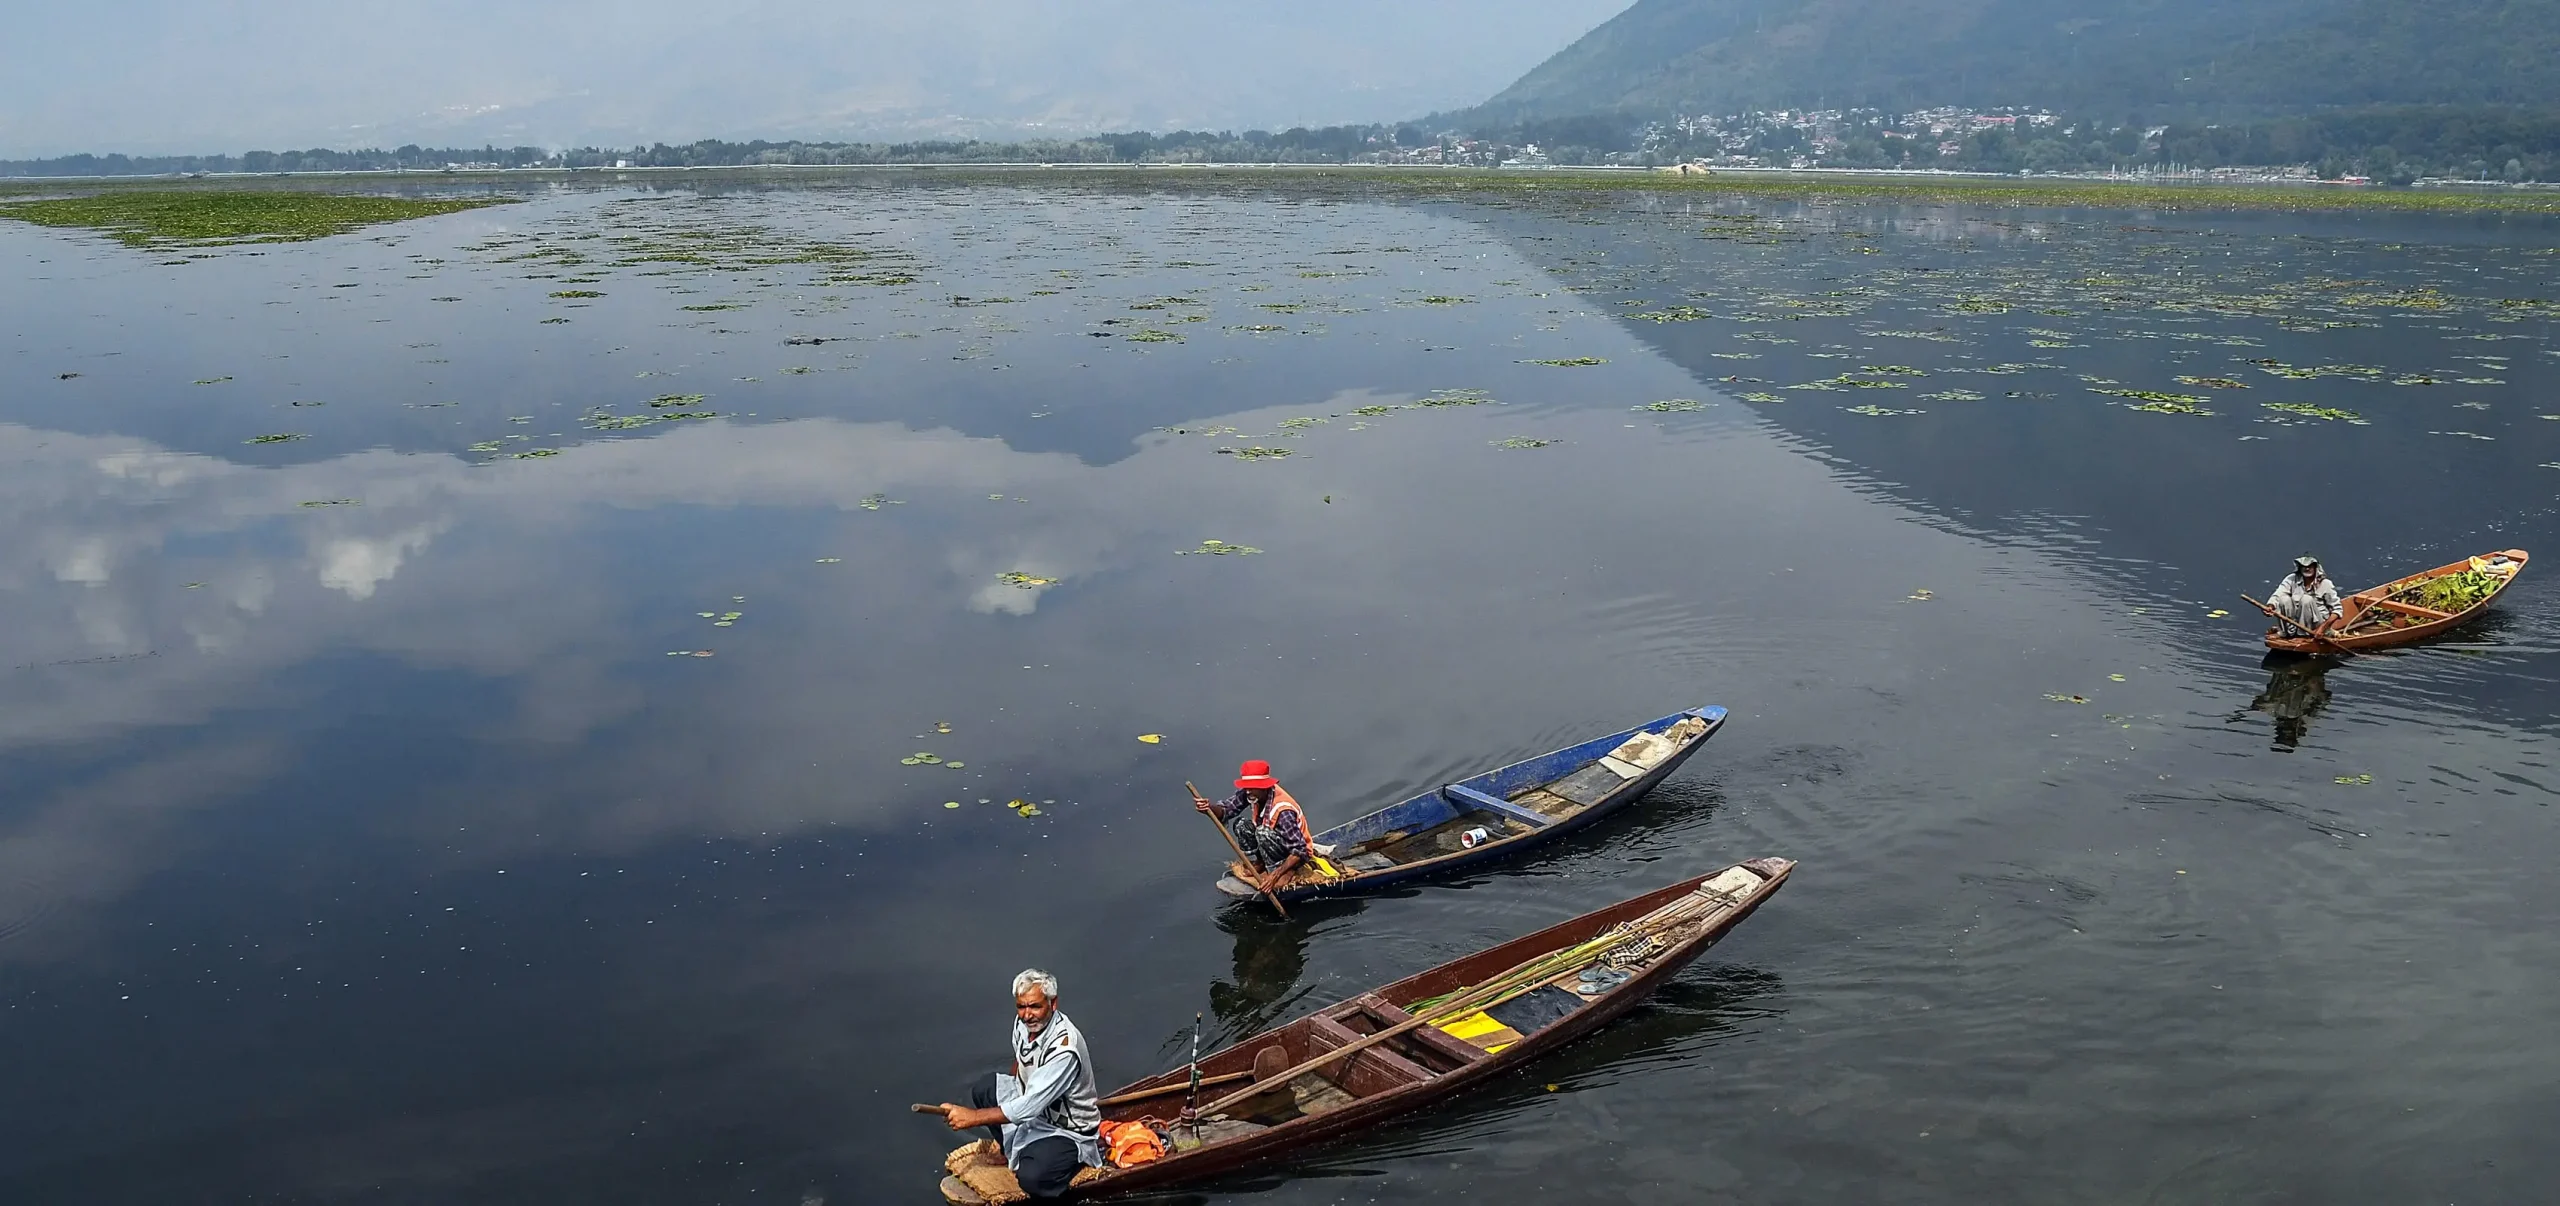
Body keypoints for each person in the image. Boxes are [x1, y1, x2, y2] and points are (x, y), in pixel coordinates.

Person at [935, 969, 1100, 1200]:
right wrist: (1012, 1089)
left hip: (1067, 1130)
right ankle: (1011, 1148)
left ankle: (1066, 1171)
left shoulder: (1064, 1050)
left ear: (1053, 1004)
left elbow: (1029, 1107)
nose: (1027, 1015)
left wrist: (972, 1117)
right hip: (1034, 1111)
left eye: (1035, 1007)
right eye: (1021, 1007)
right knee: (985, 1089)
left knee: (1032, 1177)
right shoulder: (1024, 1024)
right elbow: (1022, 1058)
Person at [1194, 760, 1317, 893]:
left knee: (1262, 832)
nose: (1248, 791)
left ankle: (1282, 870)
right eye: (1247, 787)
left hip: (1294, 854)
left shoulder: (1283, 810)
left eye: (1252, 787)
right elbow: (1226, 810)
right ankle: (1260, 862)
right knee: (1241, 825)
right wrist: (1209, 808)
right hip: (1272, 843)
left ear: (1264, 787)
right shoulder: (1252, 793)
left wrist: (1275, 876)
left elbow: (1300, 850)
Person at [2268, 554, 2342, 634]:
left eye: (2310, 566)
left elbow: (2337, 610)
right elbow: (2279, 593)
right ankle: (2289, 633)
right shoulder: (2291, 579)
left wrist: (2322, 628)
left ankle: (2304, 635)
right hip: (2295, 623)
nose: (2307, 568)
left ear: (2315, 568)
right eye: (2304, 566)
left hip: (2316, 626)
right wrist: (2271, 606)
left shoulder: (2326, 584)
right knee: (2283, 599)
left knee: (2306, 599)